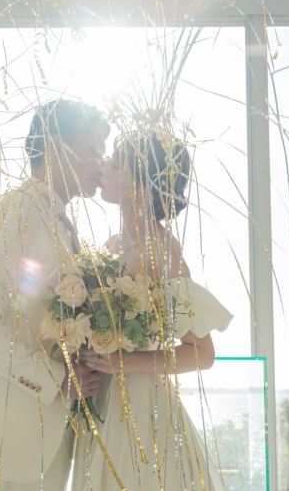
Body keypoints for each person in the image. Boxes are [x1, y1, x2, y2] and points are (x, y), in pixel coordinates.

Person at [0, 99, 110, 490]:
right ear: (57, 145)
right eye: (92, 149)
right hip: (9, 440)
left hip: (50, 435)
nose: (100, 162)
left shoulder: (59, 221)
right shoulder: (11, 216)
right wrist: (56, 380)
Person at [71, 131, 233, 491]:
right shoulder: (113, 244)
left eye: (116, 163)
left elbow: (202, 353)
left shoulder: (163, 253)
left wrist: (123, 362)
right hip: (101, 396)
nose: (104, 165)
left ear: (142, 189)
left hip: (143, 407)